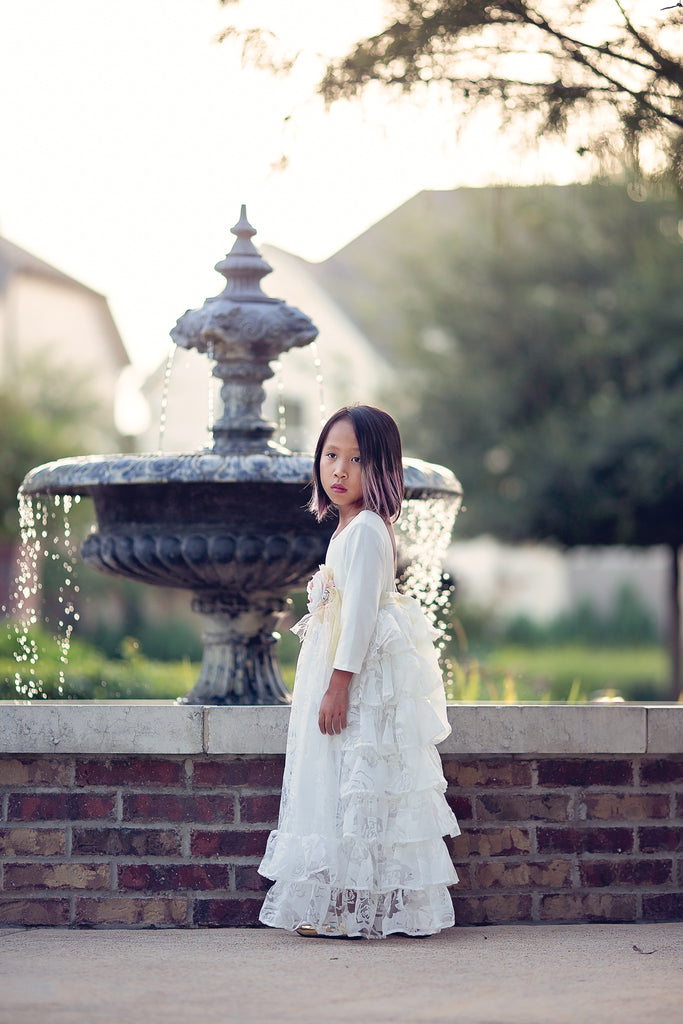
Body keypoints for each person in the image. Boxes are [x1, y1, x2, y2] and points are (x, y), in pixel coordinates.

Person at [258, 405, 460, 938]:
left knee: (360, 789)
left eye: (357, 459)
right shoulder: (348, 527)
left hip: (360, 678)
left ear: (385, 469)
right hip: (342, 670)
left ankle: (357, 909)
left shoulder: (369, 529)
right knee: (340, 787)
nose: (340, 470)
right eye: (331, 456)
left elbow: (363, 616)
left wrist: (339, 684)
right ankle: (341, 905)